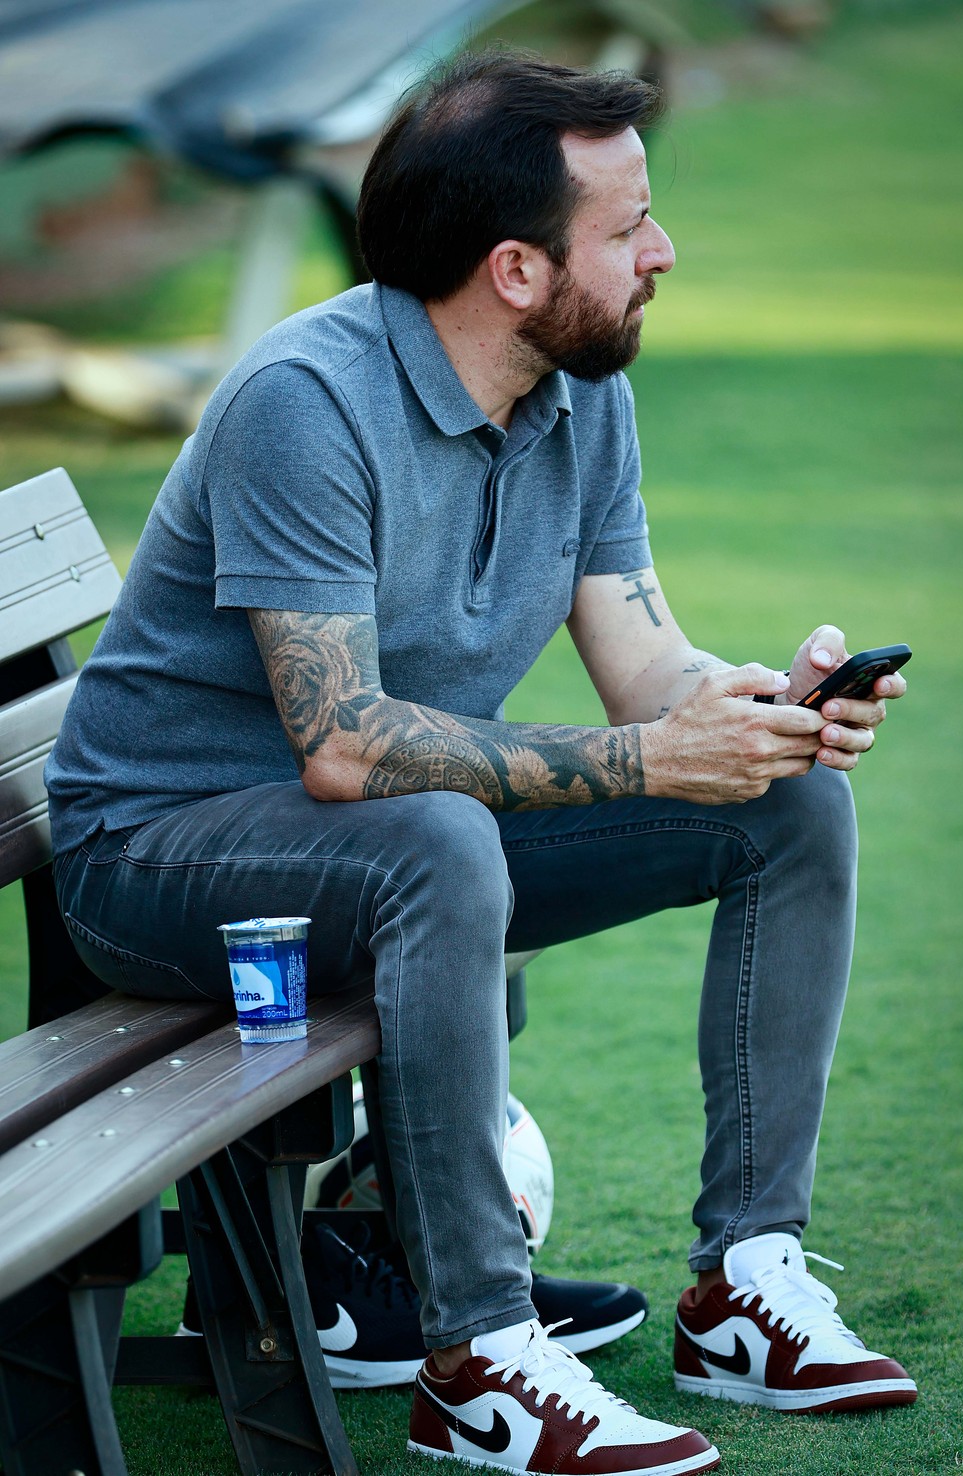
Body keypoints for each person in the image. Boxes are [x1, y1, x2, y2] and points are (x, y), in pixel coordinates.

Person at [45, 49, 916, 1476]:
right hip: (159, 856)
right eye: (628, 227)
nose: (664, 251)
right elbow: (344, 746)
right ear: (516, 268)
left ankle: (747, 1283)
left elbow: (648, 667)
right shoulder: (307, 402)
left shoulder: (581, 392)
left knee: (789, 802)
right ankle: (479, 1359)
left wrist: (761, 713)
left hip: (382, 842)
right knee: (432, 834)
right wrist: (649, 753)